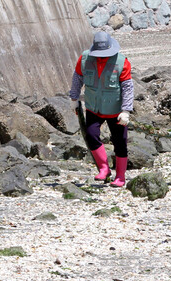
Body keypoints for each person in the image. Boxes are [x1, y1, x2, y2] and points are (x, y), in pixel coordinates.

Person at [69, 32, 134, 187]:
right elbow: (77, 78)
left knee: (120, 142)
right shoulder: (84, 59)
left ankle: (120, 176)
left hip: (115, 110)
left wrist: (126, 111)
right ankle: (104, 168)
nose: (102, 57)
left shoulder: (121, 61)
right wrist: (74, 99)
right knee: (91, 135)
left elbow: (127, 87)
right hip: (93, 107)